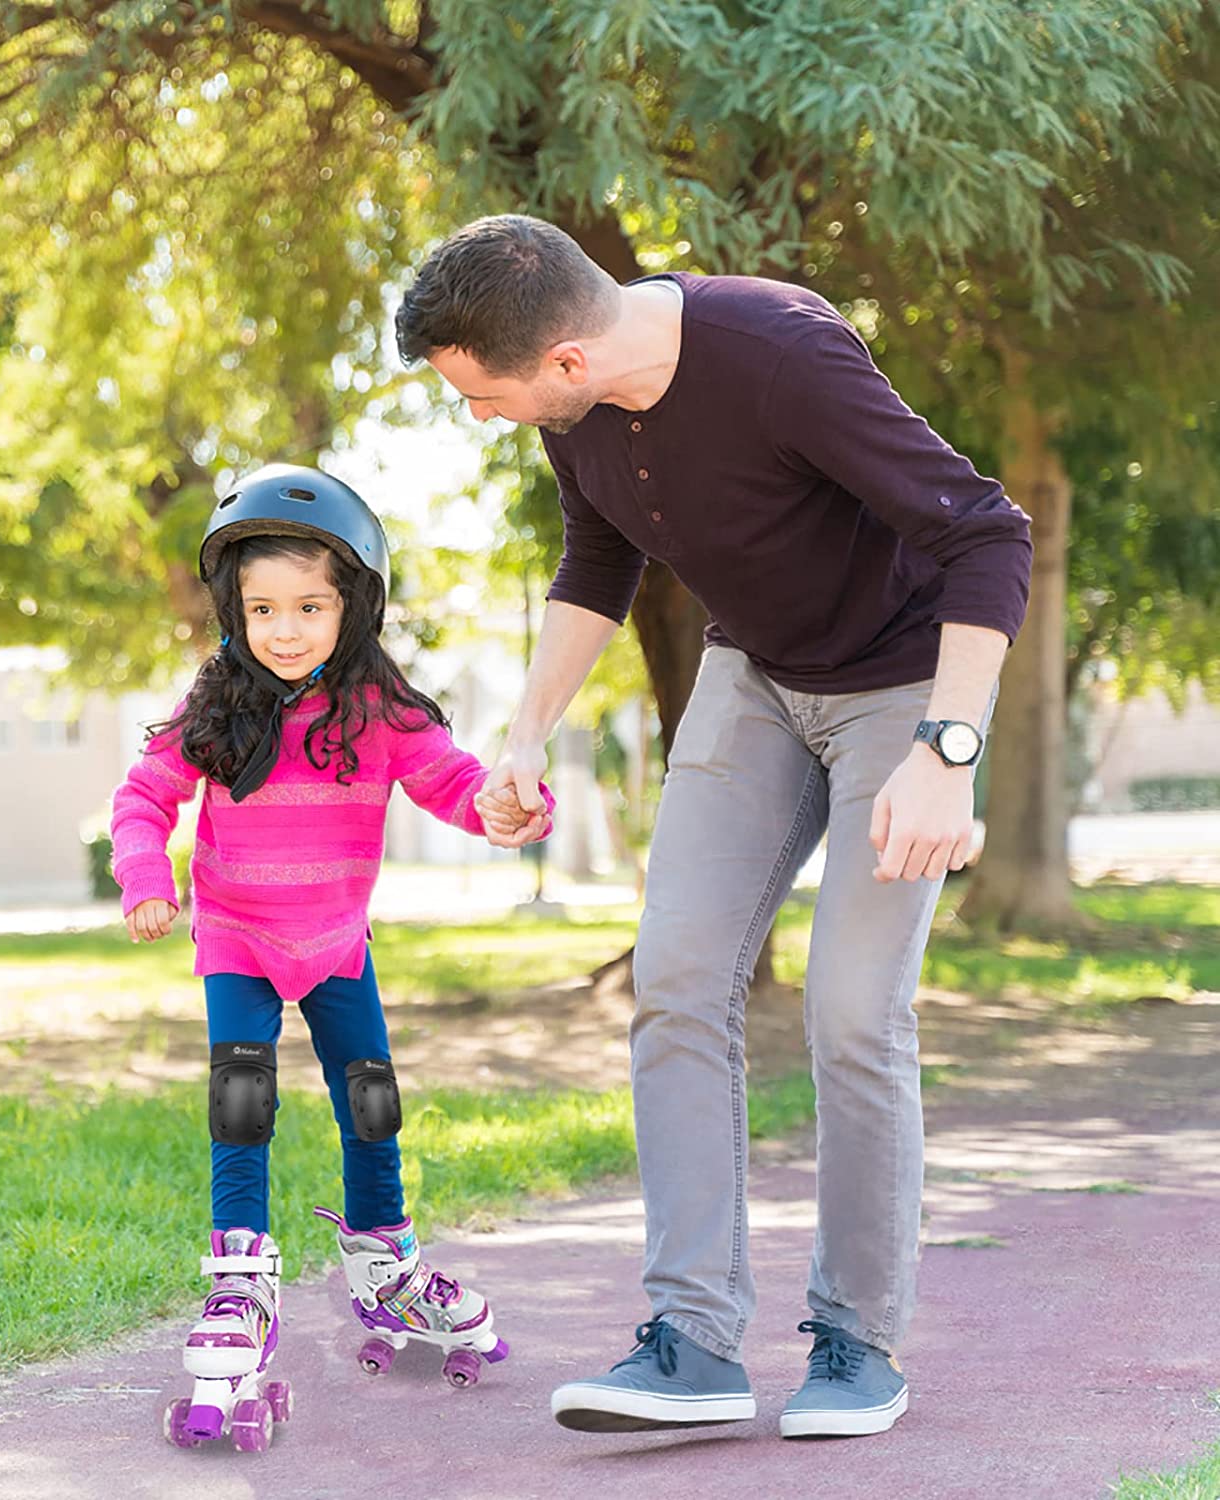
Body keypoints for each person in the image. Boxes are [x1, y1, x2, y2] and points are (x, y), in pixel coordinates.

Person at [395, 215, 1032, 1439]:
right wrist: (525, 732)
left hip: (903, 690)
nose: (482, 417)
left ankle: (858, 1340)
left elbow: (985, 534)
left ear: (566, 363)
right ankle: (691, 1343)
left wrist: (946, 754)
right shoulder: (577, 422)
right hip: (756, 681)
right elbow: (597, 558)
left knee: (853, 1008)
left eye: (487, 397)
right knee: (679, 980)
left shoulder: (781, 353)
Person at [111, 464, 550, 1450]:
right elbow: (144, 797)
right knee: (242, 1097)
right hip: (236, 936)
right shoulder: (219, 705)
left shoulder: (380, 708)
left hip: (334, 944)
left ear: (353, 606)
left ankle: (387, 1268)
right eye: (263, 607)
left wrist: (506, 806)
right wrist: (147, 880)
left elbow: (453, 782)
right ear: (234, 610)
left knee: (370, 1097)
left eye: (310, 605)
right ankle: (239, 1282)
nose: (286, 628)